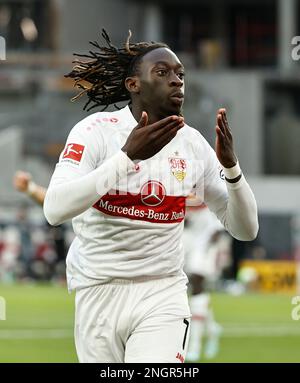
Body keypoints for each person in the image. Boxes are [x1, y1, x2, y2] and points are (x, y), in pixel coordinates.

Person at [43, 29, 258, 363]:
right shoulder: (95, 132)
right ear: (134, 84)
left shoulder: (192, 144)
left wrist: (231, 169)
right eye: (163, 72)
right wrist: (125, 158)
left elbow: (245, 229)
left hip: (163, 291)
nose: (176, 81)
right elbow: (54, 210)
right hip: (97, 290)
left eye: (180, 74)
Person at [183, 201, 231, 361]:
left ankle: (194, 345)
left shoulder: (207, 178)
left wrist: (215, 236)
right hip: (186, 234)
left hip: (207, 236)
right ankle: (212, 328)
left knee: (197, 282)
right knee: (187, 287)